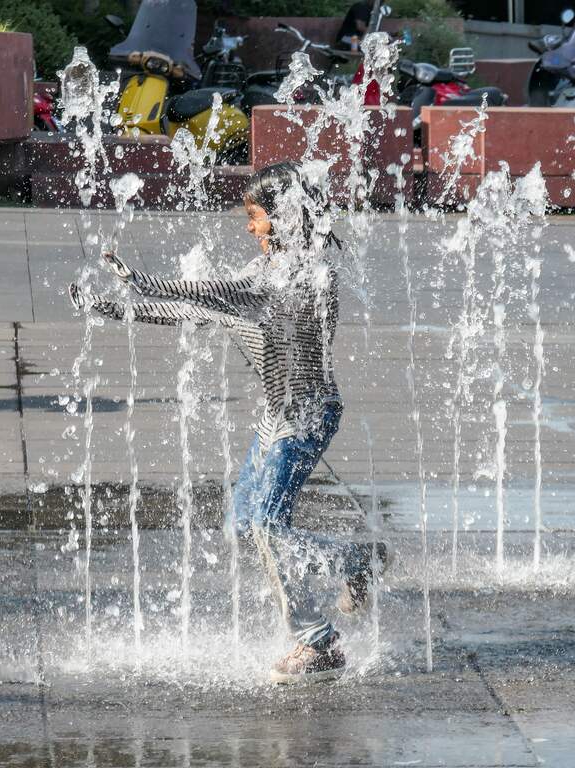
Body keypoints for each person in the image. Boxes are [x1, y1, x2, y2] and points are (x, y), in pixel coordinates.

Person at [69, 162, 387, 684]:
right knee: (242, 526)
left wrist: (140, 279)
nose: (249, 227)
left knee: (267, 526)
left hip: (305, 418)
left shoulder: (308, 276)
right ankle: (354, 558)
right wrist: (109, 306)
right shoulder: (262, 274)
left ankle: (318, 641)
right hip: (274, 419)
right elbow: (189, 310)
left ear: (282, 217)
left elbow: (215, 295)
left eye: (256, 216)